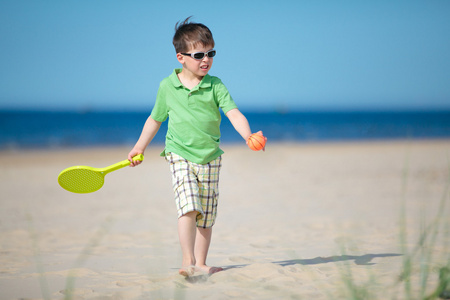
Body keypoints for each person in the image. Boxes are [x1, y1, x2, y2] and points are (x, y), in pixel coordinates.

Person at [127, 16, 266, 277]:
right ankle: (187, 261)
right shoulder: (167, 86)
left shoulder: (216, 85)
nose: (206, 59)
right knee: (189, 205)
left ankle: (201, 263)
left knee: (207, 215)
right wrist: (139, 147)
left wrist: (248, 135)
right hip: (179, 154)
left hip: (211, 157)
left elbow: (233, 113)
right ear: (181, 57)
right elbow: (155, 119)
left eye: (210, 53)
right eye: (199, 54)